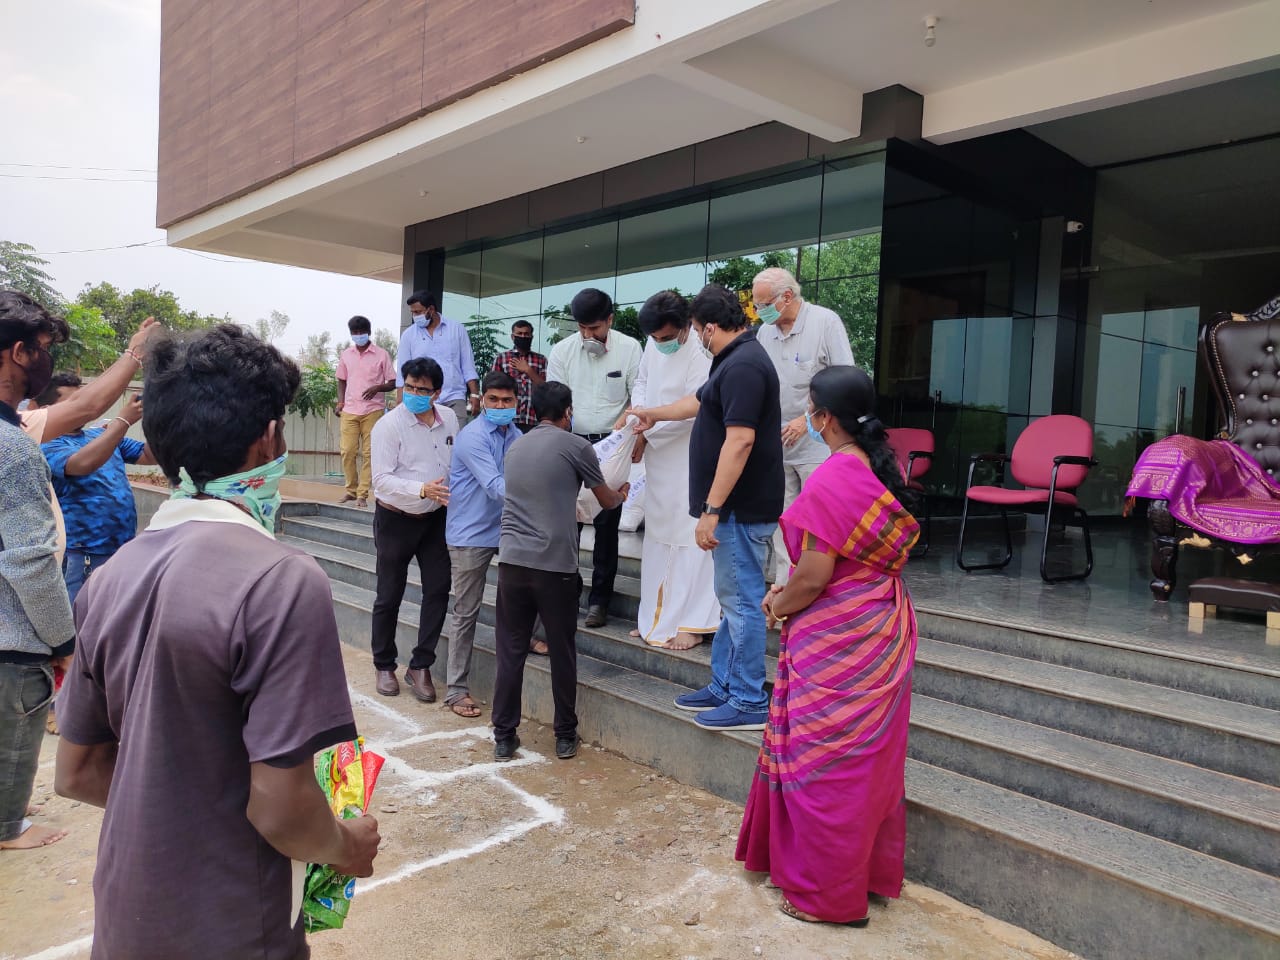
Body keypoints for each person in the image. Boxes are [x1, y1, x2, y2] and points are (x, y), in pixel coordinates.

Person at [53, 323, 380, 959]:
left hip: (125, 920)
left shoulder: (110, 577)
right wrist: (348, 845)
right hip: (234, 927)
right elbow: (282, 808)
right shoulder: (282, 579)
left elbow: (78, 771)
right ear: (269, 439)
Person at [736, 365, 919, 928]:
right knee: (866, 763)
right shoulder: (880, 470)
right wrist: (789, 591)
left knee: (824, 764)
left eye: (811, 409)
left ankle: (827, 897)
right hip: (881, 627)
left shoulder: (832, 477)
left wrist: (778, 604)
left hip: (836, 635)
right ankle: (863, 878)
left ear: (823, 419)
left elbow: (815, 576)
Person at [629, 284, 782, 731]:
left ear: (710, 327)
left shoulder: (745, 366)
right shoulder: (731, 360)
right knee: (731, 599)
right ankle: (724, 684)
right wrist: (653, 414)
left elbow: (740, 441)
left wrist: (712, 509)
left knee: (743, 603)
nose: (695, 337)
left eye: (696, 330)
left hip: (739, 509)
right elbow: (695, 402)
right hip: (733, 510)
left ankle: (749, 699)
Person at [491, 381, 628, 763]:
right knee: (562, 652)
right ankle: (565, 735)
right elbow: (605, 499)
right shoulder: (576, 446)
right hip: (555, 566)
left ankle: (504, 736)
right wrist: (623, 493)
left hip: (512, 562)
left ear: (535, 411)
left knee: (511, 651)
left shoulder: (516, 447)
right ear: (568, 412)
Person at [0, 291, 74, 851]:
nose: (46, 361)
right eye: (44, 348)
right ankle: (8, 827)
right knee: (15, 730)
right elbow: (29, 561)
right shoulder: (13, 448)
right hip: (12, 637)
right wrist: (62, 638)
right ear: (20, 353)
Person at [626, 291, 720, 650]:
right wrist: (640, 417)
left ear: (684, 326)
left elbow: (695, 405)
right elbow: (641, 382)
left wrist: (648, 425)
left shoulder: (702, 349)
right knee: (659, 533)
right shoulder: (653, 345)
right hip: (657, 452)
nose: (660, 342)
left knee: (690, 536)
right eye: (654, 337)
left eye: (666, 336)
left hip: (690, 451)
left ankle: (693, 622)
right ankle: (656, 616)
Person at [547, 288, 642, 628]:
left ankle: (600, 600)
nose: (588, 335)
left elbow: (639, 396)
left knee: (607, 524)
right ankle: (567, 592)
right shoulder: (562, 351)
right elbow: (555, 401)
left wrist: (637, 432)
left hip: (612, 445)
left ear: (610, 320)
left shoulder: (630, 348)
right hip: (571, 442)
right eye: (582, 328)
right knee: (566, 524)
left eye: (595, 328)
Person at [752, 267, 854, 584]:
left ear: (787, 296)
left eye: (763, 304)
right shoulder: (764, 333)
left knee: (819, 520)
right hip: (777, 445)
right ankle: (785, 586)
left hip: (818, 445)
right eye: (756, 305)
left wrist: (807, 419)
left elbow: (845, 381)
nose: (759, 311)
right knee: (784, 519)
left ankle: (819, 585)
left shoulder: (825, 322)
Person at [370, 357, 458, 701]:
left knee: (438, 589)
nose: (415, 394)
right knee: (389, 593)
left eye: (423, 390)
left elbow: (454, 462)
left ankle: (421, 665)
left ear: (437, 393)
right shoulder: (388, 426)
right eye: (409, 387)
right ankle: (384, 664)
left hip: (435, 519)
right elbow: (381, 480)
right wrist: (421, 489)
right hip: (396, 519)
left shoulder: (449, 419)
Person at [32, 374, 156, 605]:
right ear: (47, 410)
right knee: (82, 618)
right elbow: (82, 464)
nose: (83, 407)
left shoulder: (100, 434)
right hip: (82, 555)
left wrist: (160, 416)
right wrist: (122, 422)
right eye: (73, 403)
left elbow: (150, 455)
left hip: (123, 549)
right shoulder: (45, 444)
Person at [444, 371, 520, 718]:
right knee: (466, 611)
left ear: (517, 402)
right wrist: (543, 497)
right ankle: (456, 689)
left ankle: (530, 637)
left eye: (507, 400)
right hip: (470, 534)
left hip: (506, 530)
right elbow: (495, 486)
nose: (501, 406)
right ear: (482, 401)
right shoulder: (472, 437)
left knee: (524, 593)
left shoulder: (517, 436)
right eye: (494, 400)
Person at [335, 315, 396, 508]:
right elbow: (341, 380)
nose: (359, 335)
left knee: (370, 453)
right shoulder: (346, 354)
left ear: (369, 332)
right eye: (355, 332)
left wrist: (378, 388)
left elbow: (393, 382)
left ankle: (362, 494)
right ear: (351, 333)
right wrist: (340, 402)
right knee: (348, 451)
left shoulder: (382, 355)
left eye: (362, 332)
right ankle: (350, 490)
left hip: (373, 410)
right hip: (350, 409)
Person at [400, 290, 479, 423]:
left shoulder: (456, 329)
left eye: (418, 312)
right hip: (423, 399)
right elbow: (402, 373)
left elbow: (468, 366)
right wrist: (400, 402)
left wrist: (475, 394)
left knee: (456, 435)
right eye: (412, 312)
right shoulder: (408, 335)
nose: (415, 316)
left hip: (454, 398)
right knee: (424, 435)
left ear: (431, 309)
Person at [491, 319, 548, 433]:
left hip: (533, 418)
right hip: (508, 418)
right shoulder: (502, 358)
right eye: (519, 334)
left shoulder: (541, 360)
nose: (523, 337)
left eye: (526, 334)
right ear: (513, 337)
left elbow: (546, 389)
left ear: (532, 336)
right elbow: (492, 388)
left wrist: (528, 370)